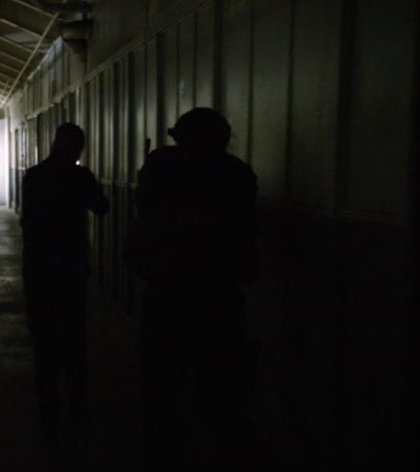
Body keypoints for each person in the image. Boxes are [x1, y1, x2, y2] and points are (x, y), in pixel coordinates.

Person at [128, 108, 259, 471]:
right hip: (218, 294)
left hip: (166, 291)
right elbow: (245, 237)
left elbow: (145, 220)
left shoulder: (161, 168)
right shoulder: (236, 174)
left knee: (161, 381)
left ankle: (162, 451)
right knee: (221, 384)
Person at [20, 123, 109, 446]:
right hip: (71, 268)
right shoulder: (80, 177)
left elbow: (27, 222)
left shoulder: (34, 175)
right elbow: (102, 207)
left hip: (39, 267)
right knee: (73, 335)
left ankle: (48, 410)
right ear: (79, 149)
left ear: (54, 143)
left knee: (43, 340)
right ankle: (77, 406)